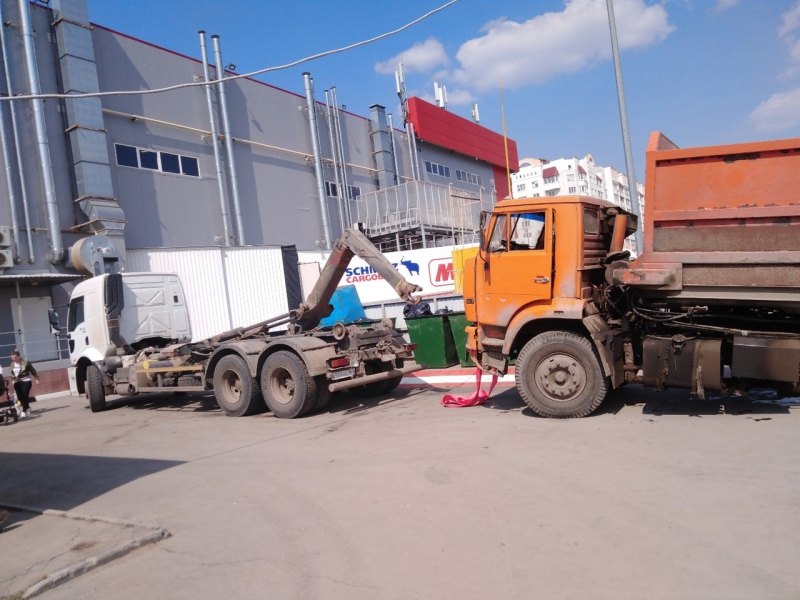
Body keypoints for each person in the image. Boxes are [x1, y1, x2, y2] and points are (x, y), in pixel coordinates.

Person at [9, 350, 39, 418]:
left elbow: (32, 370)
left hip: (26, 381)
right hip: (17, 382)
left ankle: (24, 411)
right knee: (19, 397)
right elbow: (13, 373)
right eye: (12, 358)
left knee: (25, 395)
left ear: (19, 356)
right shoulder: (11, 364)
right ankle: (27, 407)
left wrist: (36, 378)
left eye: (15, 357)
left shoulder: (25, 362)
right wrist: (13, 378)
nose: (14, 359)